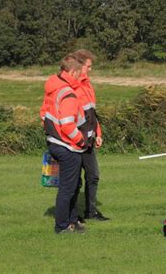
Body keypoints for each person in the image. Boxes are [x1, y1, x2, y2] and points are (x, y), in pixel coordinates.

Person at [40, 55, 88, 234]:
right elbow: (68, 124)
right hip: (67, 146)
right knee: (68, 188)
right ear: (73, 72)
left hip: (56, 142)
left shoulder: (53, 88)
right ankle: (62, 226)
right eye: (78, 74)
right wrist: (81, 140)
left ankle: (73, 221)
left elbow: (44, 115)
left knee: (74, 185)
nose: (79, 78)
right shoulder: (67, 93)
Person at [71, 49, 109, 221]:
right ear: (79, 65)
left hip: (89, 140)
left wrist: (98, 133)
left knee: (93, 175)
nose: (90, 70)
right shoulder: (71, 87)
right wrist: (76, 138)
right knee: (74, 180)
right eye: (88, 66)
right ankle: (73, 215)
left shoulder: (88, 85)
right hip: (73, 141)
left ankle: (91, 212)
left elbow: (92, 114)